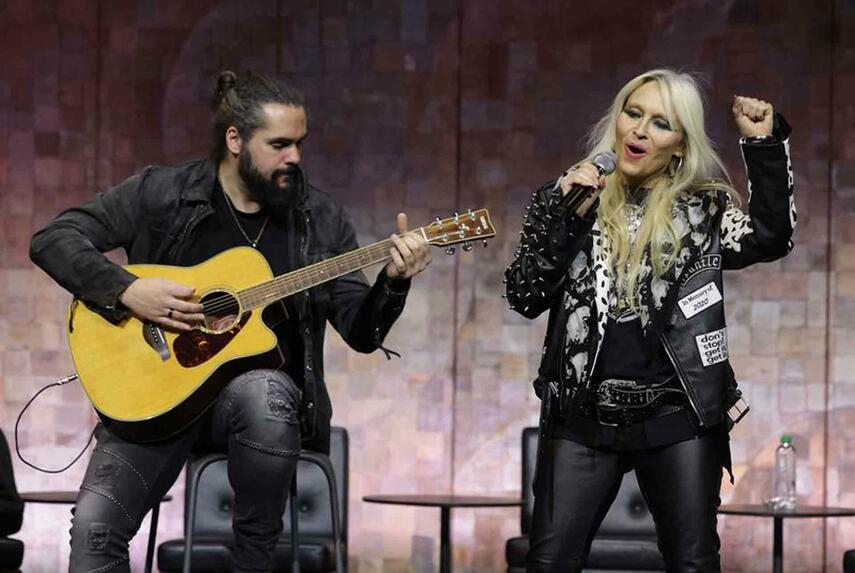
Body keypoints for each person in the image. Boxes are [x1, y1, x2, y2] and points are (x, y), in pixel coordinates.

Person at [30, 71, 431, 573]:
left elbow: (361, 333)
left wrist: (393, 282)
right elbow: (54, 239)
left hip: (261, 419)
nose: (295, 157)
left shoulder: (320, 219)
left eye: (300, 144)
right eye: (279, 145)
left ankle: (253, 559)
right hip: (155, 401)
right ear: (235, 140)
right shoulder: (163, 193)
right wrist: (127, 290)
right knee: (94, 531)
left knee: (264, 392)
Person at [505, 69, 794, 572]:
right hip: (583, 417)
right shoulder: (567, 198)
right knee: (549, 562)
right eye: (633, 114)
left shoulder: (704, 211)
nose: (639, 130)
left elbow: (771, 238)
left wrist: (763, 145)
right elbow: (524, 295)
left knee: (692, 563)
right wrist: (566, 216)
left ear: (680, 145)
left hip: (677, 416)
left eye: (660, 123)